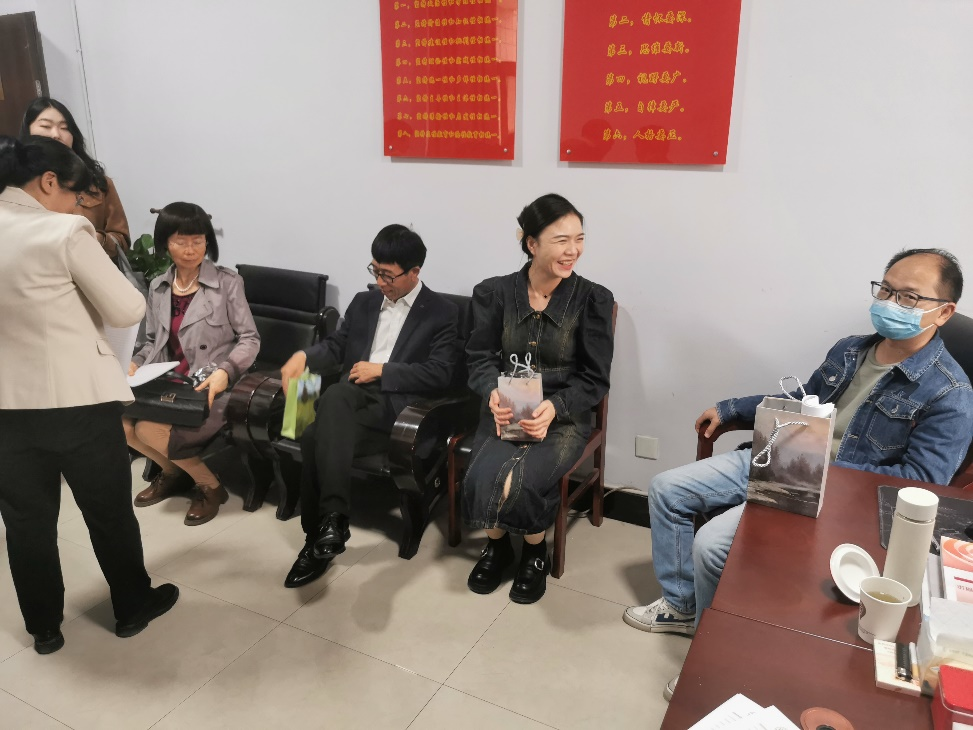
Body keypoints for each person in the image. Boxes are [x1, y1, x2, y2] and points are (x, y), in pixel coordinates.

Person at [623, 249, 973, 702]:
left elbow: (920, 483)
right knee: (667, 489)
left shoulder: (950, 394)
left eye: (908, 297)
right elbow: (804, 402)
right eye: (886, 290)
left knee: (711, 545)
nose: (890, 303)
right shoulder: (850, 349)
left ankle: (712, 657)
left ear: (943, 312)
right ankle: (683, 605)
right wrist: (732, 408)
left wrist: (820, 468)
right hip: (783, 455)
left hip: (837, 494)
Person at [0, 136, 179, 655]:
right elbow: (127, 308)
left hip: (6, 410)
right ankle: (132, 607)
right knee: (107, 512)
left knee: (26, 522)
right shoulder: (62, 231)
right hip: (76, 402)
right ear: (48, 182)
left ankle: (44, 628)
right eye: (74, 195)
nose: (75, 206)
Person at [279, 224, 460, 588]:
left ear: (414, 272)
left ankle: (324, 528)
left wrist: (383, 371)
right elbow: (336, 346)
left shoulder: (442, 312)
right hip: (352, 404)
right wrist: (304, 356)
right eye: (375, 271)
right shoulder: (364, 302)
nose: (380, 282)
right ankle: (324, 534)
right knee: (316, 429)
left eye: (388, 275)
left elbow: (441, 373)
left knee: (328, 409)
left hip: (400, 411)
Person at [462, 193, 615, 604]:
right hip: (506, 409)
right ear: (531, 244)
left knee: (524, 480)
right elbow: (478, 358)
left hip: (564, 414)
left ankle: (533, 553)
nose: (573, 251)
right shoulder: (493, 293)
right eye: (561, 240)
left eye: (579, 239)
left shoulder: (593, 299)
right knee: (482, 475)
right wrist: (492, 392)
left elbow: (595, 379)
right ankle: (496, 547)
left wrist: (556, 407)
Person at [124, 203, 260, 526]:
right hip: (169, 380)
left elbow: (250, 339)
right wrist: (135, 363)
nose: (190, 250)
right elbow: (151, 341)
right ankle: (174, 473)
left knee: (148, 429)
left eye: (197, 241)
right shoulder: (158, 286)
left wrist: (226, 372)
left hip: (212, 382)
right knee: (124, 426)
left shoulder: (227, 283)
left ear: (207, 242)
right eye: (180, 241)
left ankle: (210, 486)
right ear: (165, 244)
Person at [21, 97, 131, 259]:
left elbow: (122, 240)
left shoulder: (98, 183)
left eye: (64, 128)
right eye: (45, 126)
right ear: (28, 131)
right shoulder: (15, 184)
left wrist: (98, 239)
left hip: (92, 268)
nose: (56, 134)